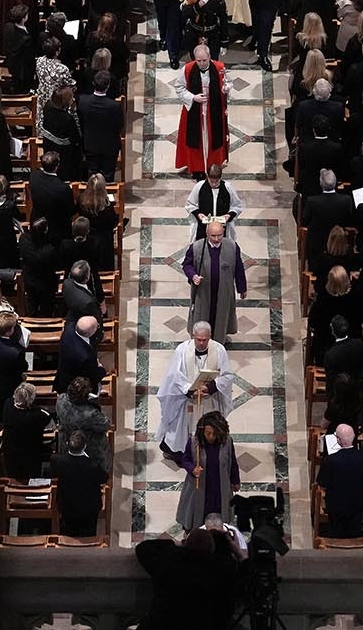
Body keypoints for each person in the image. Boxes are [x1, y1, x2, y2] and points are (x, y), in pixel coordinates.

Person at [156, 322, 237, 461]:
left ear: (209, 337)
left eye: (204, 340)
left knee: (209, 426)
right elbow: (174, 374)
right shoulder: (182, 350)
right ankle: (181, 454)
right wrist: (189, 389)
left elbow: (227, 375)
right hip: (187, 398)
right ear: (193, 336)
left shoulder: (219, 350)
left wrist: (210, 387)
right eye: (198, 339)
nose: (200, 343)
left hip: (209, 399)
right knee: (182, 428)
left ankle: (205, 453)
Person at [134, 528, 237, 630]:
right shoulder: (223, 569)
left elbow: (143, 547)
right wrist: (231, 548)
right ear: (212, 548)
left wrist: (175, 545)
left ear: (185, 544)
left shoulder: (170, 559)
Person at [176, 410, 240, 532]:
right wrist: (192, 469)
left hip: (219, 485)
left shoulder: (227, 441)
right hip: (199, 486)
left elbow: (232, 462)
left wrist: (235, 481)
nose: (211, 437)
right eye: (208, 433)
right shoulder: (195, 441)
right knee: (198, 512)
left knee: (219, 511)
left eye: (214, 434)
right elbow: (185, 459)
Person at [172, 43, 230, 178]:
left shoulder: (219, 68)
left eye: (204, 60)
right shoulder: (187, 69)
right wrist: (193, 97)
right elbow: (179, 88)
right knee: (196, 140)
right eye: (199, 60)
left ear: (209, 57)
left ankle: (213, 165)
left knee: (212, 138)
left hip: (213, 110)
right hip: (195, 111)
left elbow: (227, 84)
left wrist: (226, 89)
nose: (202, 63)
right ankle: (197, 169)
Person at [182, 220, 247, 336]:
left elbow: (239, 268)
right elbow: (187, 265)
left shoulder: (232, 246)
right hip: (204, 292)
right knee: (203, 316)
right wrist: (193, 275)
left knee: (221, 316)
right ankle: (201, 339)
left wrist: (242, 288)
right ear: (207, 234)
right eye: (213, 236)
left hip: (224, 291)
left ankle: (219, 341)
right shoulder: (196, 247)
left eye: (219, 235)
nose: (216, 239)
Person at [50, 429, 109, 538]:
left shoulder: (57, 461)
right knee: (88, 534)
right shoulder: (93, 465)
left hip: (66, 506)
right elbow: (104, 478)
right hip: (89, 508)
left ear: (67, 444)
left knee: (68, 533)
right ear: (85, 446)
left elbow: (53, 474)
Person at [316, 423, 363, 538]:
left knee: (336, 532)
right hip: (356, 503)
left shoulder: (330, 460)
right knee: (354, 532)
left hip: (335, 505)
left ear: (338, 440)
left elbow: (322, 483)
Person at [55, 375, 110, 471]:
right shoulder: (90, 414)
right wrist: (94, 404)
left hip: (66, 443)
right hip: (88, 448)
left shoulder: (61, 399)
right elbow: (105, 425)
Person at [307, 265, 361, 363]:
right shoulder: (355, 296)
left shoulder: (323, 298)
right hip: (349, 343)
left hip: (325, 343)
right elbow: (360, 318)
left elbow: (312, 320)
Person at [2, 381, 53, 482]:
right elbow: (48, 416)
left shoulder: (7, 405)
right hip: (31, 455)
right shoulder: (38, 415)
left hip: (10, 453)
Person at [186, 163, 244, 242]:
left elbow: (237, 205)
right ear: (207, 176)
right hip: (203, 228)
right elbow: (190, 204)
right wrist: (198, 214)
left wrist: (229, 215)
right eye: (211, 181)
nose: (214, 184)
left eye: (217, 181)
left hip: (223, 228)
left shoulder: (228, 187)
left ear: (220, 177)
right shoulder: (199, 186)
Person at [182, 0, 230, 64]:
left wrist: (224, 42)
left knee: (213, 62)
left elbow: (223, 21)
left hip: (212, 35)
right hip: (194, 33)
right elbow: (184, 13)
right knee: (195, 61)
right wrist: (198, 5)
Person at [19, 217, 62, 317]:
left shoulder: (24, 239)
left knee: (32, 304)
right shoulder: (49, 250)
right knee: (46, 308)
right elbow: (56, 265)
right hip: (46, 283)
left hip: (29, 280)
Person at [29, 150, 74, 244]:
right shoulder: (63, 188)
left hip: (37, 222)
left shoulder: (33, 177)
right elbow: (70, 211)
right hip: (57, 228)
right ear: (57, 167)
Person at [61, 260, 105, 339]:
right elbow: (96, 320)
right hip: (84, 329)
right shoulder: (88, 302)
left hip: (72, 316)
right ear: (87, 278)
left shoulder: (66, 283)